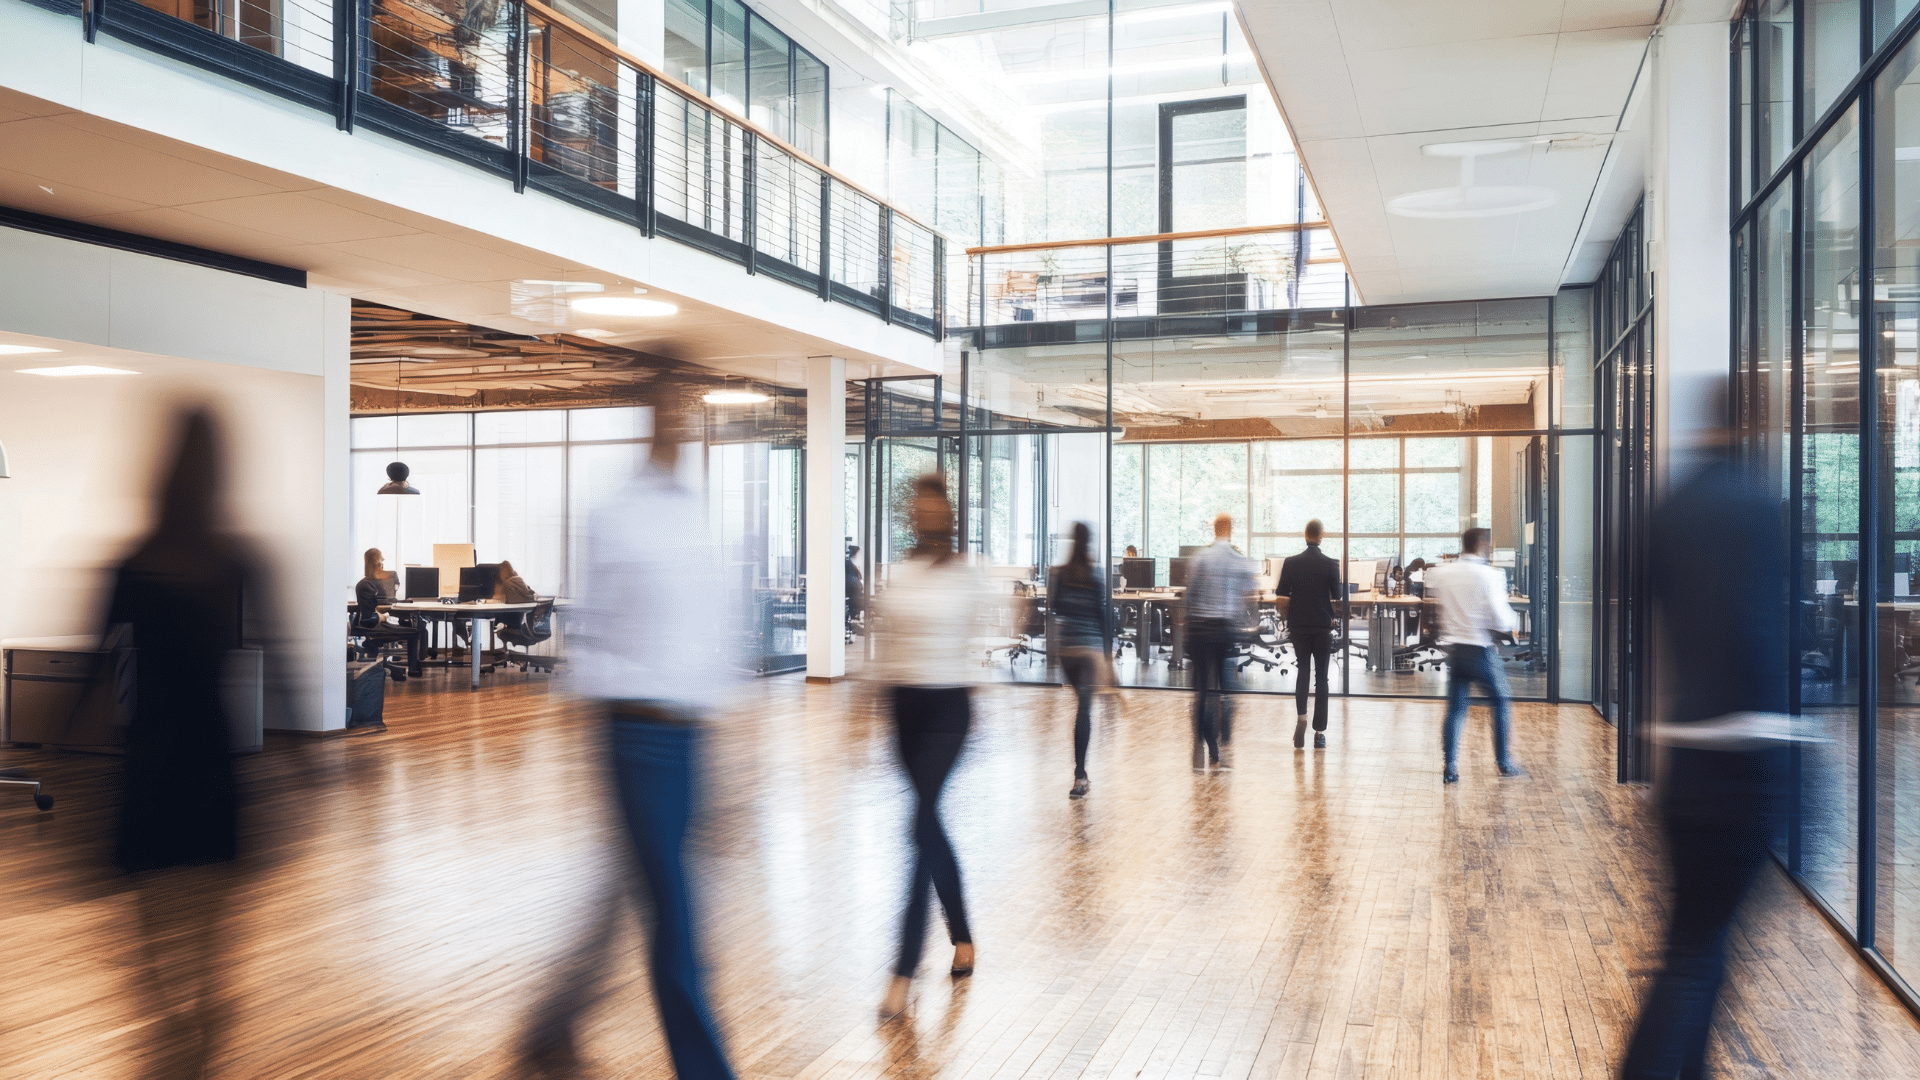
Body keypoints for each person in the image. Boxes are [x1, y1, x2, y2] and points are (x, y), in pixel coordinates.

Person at [518, 378, 737, 1079]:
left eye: (692, 410)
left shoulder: (699, 515)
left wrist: (731, 750)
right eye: (673, 406)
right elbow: (598, 638)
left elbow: (710, 631)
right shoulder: (616, 513)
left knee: (626, 888)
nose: (682, 422)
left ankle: (550, 1021)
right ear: (651, 416)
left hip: (690, 733)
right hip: (634, 734)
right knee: (674, 916)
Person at [1619, 432, 1792, 1080]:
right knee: (1695, 955)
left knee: (1698, 950)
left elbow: (1637, 600)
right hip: (1738, 765)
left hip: (1683, 761)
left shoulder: (1669, 509)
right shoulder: (1753, 508)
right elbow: (1759, 643)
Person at [106, 407, 264, 1074]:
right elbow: (276, 658)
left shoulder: (134, 560)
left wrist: (63, 744)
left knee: (150, 899)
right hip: (212, 746)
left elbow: (94, 666)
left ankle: (169, 1013)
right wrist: (307, 778)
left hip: (148, 749)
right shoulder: (236, 558)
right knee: (209, 903)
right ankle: (203, 1008)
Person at [872, 474, 984, 1018]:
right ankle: (962, 934)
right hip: (903, 708)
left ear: (948, 513)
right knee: (927, 824)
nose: (923, 514)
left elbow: (977, 643)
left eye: (933, 506)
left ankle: (902, 971)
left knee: (918, 828)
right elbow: (885, 645)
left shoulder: (966, 573)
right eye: (916, 507)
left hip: (948, 709)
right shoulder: (900, 570)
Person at [1426, 527, 1523, 783]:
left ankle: (1450, 767)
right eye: (1488, 544)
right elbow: (1502, 620)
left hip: (1455, 651)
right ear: (1481, 543)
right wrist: (1513, 618)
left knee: (1455, 710)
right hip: (1479, 650)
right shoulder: (1490, 575)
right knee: (1501, 701)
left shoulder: (1443, 573)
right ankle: (1504, 763)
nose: (1489, 549)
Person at [1183, 513, 1254, 770]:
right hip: (1224, 630)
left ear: (1214, 530)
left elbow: (1190, 596)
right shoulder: (1239, 560)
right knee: (1225, 689)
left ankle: (1201, 742)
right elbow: (1248, 596)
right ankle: (1224, 739)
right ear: (1230, 530)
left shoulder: (1200, 558)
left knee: (1202, 690)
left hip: (1200, 629)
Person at [1048, 521, 1111, 799]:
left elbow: (1054, 607)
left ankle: (1081, 775)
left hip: (1067, 651)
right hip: (1089, 651)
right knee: (1084, 710)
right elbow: (1103, 615)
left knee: (1081, 706)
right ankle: (1080, 775)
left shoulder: (1059, 573)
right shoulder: (1095, 574)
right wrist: (1108, 655)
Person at [1276, 518, 1341, 749]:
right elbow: (1337, 594)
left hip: (1299, 625)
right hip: (1322, 626)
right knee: (1321, 677)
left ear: (1305, 536)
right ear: (1321, 536)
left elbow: (1281, 596)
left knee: (1303, 670)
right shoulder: (1330, 563)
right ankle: (1319, 733)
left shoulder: (1291, 562)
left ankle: (1301, 717)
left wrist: (1288, 619)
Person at [354, 548, 424, 680]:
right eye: (381, 559)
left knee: (410, 626)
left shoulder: (367, 584)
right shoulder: (366, 586)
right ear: (375, 562)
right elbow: (369, 619)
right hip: (374, 625)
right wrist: (385, 615)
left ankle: (412, 666)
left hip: (375, 623)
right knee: (414, 632)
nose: (383, 562)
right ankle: (413, 669)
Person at [845, 544, 866, 623]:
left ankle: (856, 616)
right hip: (852, 589)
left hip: (855, 588)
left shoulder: (852, 563)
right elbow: (850, 579)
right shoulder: (849, 563)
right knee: (856, 600)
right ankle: (854, 617)